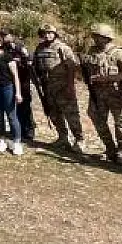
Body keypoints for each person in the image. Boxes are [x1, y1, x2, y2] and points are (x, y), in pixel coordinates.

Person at [84, 24, 122, 165]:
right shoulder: (92, 51)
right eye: (95, 36)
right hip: (97, 95)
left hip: (117, 96)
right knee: (96, 117)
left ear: (107, 38)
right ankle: (110, 148)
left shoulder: (119, 53)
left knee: (121, 124)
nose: (96, 39)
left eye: (99, 37)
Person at [32, 24, 84, 152]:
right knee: (54, 114)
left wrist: (70, 86)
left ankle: (79, 140)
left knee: (71, 114)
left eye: (50, 33)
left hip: (63, 87)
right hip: (47, 87)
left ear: (55, 34)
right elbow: (35, 67)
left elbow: (71, 68)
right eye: (45, 33)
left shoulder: (62, 48)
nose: (47, 35)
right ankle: (63, 138)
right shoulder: (40, 48)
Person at [3, 30, 37, 143]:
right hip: (11, 80)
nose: (4, 37)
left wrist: (21, 60)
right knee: (14, 107)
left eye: (6, 35)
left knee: (25, 107)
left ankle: (29, 131)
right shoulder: (4, 48)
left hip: (23, 80)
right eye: (2, 36)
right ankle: (19, 130)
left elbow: (30, 60)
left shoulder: (20, 46)